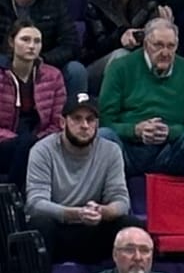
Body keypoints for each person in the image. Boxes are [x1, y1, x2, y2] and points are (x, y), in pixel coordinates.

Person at [97, 14, 184, 190]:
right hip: (128, 149)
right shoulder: (120, 67)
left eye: (171, 46)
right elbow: (105, 120)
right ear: (146, 44)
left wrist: (169, 132)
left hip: (169, 150)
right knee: (104, 136)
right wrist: (136, 130)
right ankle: (108, 199)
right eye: (158, 45)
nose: (165, 53)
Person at [24, 93, 130, 257]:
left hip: (94, 229)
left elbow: (121, 201)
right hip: (58, 229)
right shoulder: (42, 150)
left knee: (130, 225)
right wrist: (76, 214)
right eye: (77, 119)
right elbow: (35, 204)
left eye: (90, 119)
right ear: (62, 122)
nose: (84, 126)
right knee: (40, 224)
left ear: (97, 124)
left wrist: (103, 211)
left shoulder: (111, 151)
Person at [4, 0, 82, 95]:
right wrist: (14, 60)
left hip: (44, 62)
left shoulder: (54, 3)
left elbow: (71, 45)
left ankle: (75, 110)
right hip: (6, 63)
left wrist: (42, 59)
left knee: (76, 70)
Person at [81, 0, 161, 91]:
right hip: (98, 64)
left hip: (139, 59)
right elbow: (97, 46)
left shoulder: (147, 0)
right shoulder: (96, 2)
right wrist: (120, 38)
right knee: (121, 55)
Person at [0, 22, 66, 186]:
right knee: (25, 145)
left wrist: (38, 140)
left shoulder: (53, 76)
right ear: (11, 42)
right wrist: (18, 140)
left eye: (37, 41)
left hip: (40, 141)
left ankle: (13, 194)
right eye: (25, 39)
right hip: (4, 143)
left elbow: (58, 121)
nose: (31, 46)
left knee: (31, 146)